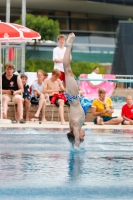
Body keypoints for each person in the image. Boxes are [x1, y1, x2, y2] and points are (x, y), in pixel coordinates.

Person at [63, 33, 85, 150]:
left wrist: (77, 144)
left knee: (67, 69)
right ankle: (68, 46)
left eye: (83, 137)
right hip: (73, 98)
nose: (84, 135)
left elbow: (76, 138)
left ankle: (68, 46)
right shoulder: (74, 126)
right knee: (67, 70)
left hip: (73, 97)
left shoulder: (76, 127)